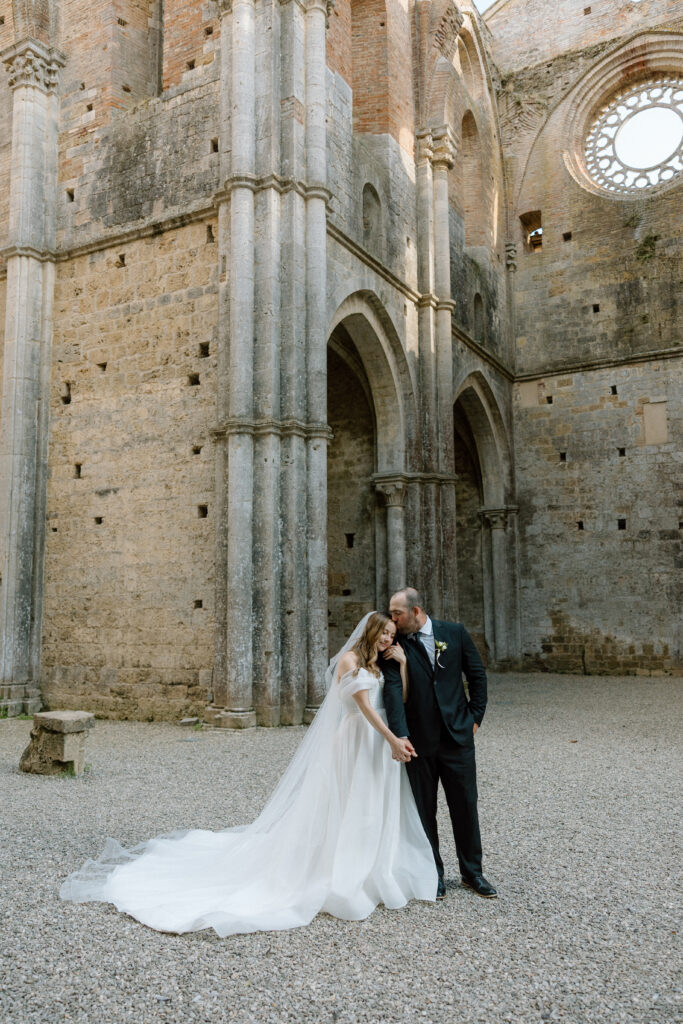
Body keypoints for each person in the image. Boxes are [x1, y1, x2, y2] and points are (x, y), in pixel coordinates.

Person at [59, 612, 438, 936]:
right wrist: (391, 738)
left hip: (377, 742)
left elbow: (398, 699)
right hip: (359, 737)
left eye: (392, 634)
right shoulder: (350, 661)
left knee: (369, 805)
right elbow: (364, 708)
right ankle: (340, 871)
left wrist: (403, 665)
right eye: (383, 632)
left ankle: (369, 867)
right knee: (347, 802)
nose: (388, 638)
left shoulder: (379, 664)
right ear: (370, 631)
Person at [383, 587, 497, 900]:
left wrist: (474, 718)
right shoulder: (395, 643)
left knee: (465, 806)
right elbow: (392, 689)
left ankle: (473, 874)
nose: (392, 619)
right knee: (424, 810)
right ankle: (433, 874)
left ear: (416, 611)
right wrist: (400, 734)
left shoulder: (454, 633)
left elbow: (477, 676)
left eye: (397, 613)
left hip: (458, 737)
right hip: (419, 741)